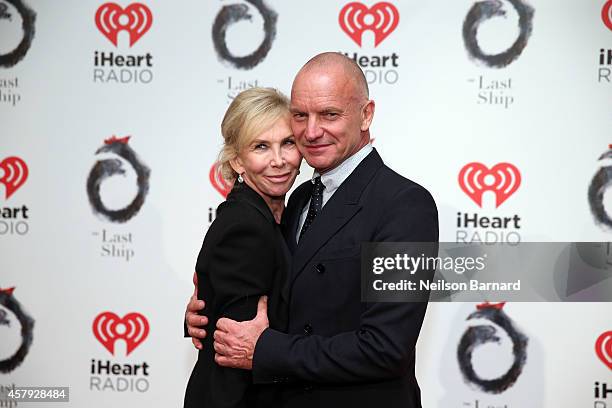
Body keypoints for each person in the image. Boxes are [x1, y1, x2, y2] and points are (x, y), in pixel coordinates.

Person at [185, 52, 439, 408]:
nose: (312, 131)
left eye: (330, 115)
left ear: (366, 115)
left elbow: (386, 347)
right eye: (300, 116)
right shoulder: (301, 196)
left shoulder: (405, 205)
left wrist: (264, 349)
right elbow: (278, 292)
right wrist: (213, 313)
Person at [183, 87, 301, 408]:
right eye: (261, 147)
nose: (278, 160)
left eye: (287, 143)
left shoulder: (279, 215)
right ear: (237, 160)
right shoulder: (246, 226)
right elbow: (235, 349)